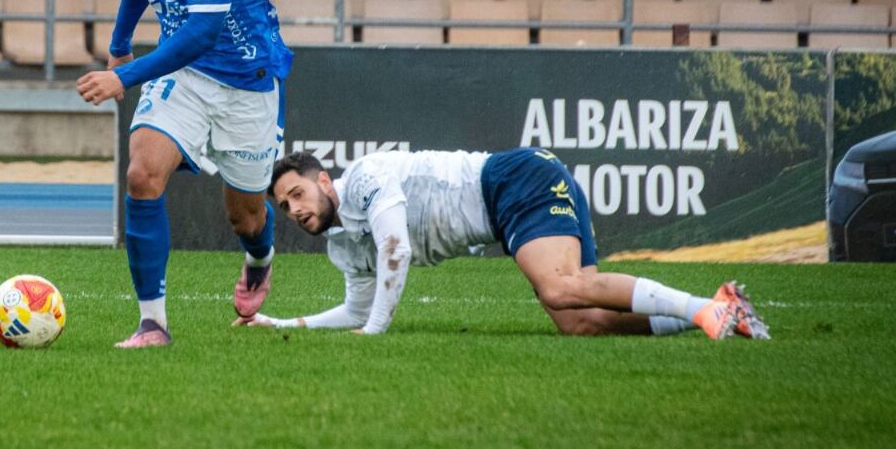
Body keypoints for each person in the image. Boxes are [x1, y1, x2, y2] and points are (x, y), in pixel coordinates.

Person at [76, 0, 293, 348]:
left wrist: (122, 76)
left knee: (244, 215)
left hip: (246, 77)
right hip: (185, 75)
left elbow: (202, 31)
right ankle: (154, 324)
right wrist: (121, 38)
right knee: (142, 174)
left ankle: (260, 258)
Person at [243, 148, 769, 340]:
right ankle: (715, 310)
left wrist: (377, 331)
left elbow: (396, 249)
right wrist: (281, 324)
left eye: (297, 194)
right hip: (506, 209)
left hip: (513, 179)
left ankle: (705, 310)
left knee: (561, 289)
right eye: (285, 208)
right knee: (579, 320)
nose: (294, 211)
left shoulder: (367, 177)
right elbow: (357, 311)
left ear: (325, 181)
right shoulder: (342, 243)